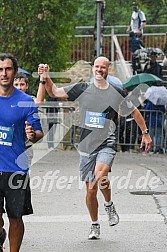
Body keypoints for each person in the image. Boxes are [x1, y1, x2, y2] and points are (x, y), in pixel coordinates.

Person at [38, 56, 152, 240]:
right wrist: (46, 76)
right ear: (93, 68)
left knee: (100, 176)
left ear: (108, 70)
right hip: (86, 146)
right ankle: (95, 224)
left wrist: (145, 133)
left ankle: (108, 204)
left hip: (107, 143)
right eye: (97, 67)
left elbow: (134, 111)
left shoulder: (117, 92)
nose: (100, 70)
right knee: (91, 190)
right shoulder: (82, 89)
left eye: (103, 68)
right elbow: (55, 92)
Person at [0, 53, 43, 252]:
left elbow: (39, 133)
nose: (4, 73)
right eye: (0, 70)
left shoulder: (26, 101)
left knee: (15, 217)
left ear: (15, 72)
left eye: (8, 69)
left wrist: (32, 134)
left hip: (16, 168)